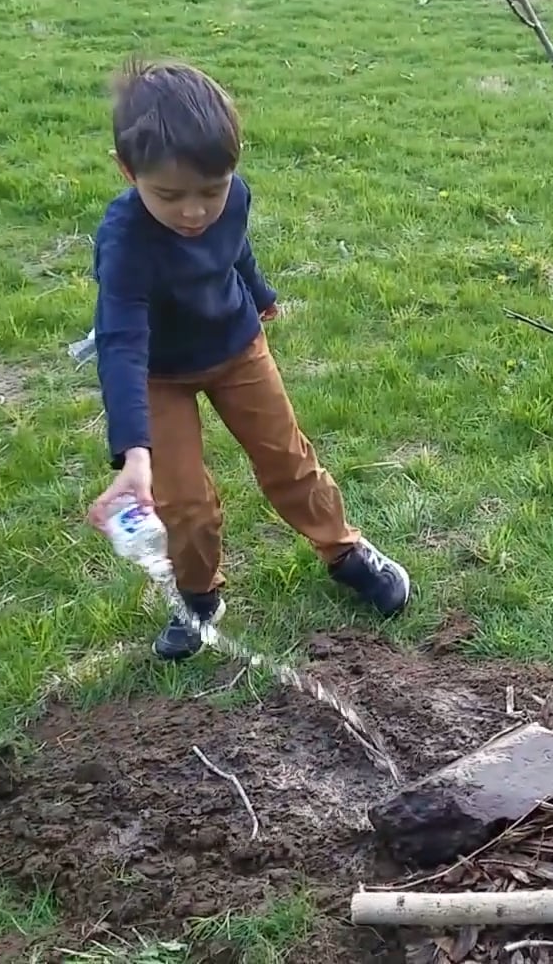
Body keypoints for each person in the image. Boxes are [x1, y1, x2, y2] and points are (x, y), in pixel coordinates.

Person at [83, 58, 410, 661]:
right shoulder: (124, 242)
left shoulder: (232, 199)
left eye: (211, 190)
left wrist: (259, 296)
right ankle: (198, 596)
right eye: (170, 195)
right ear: (128, 173)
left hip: (235, 348)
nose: (193, 212)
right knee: (183, 501)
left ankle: (344, 550)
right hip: (160, 373)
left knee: (288, 459)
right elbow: (122, 340)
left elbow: (235, 248)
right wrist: (134, 454)